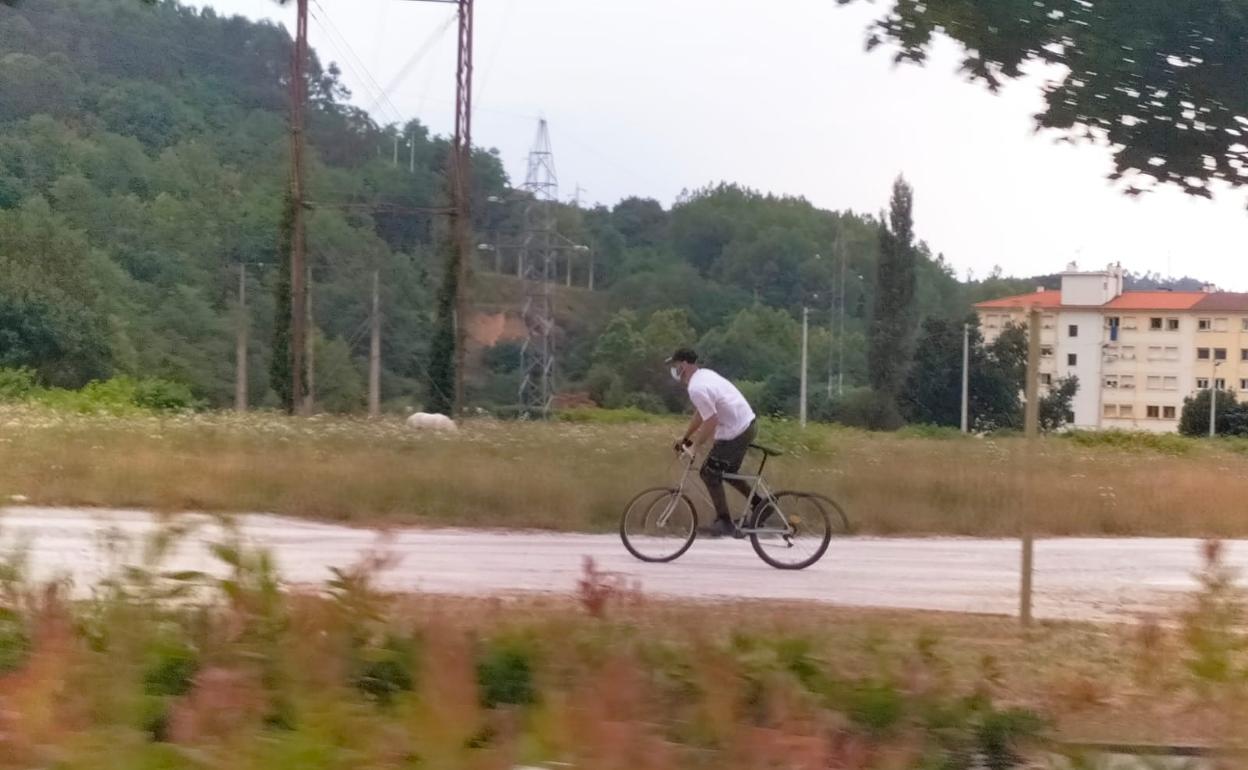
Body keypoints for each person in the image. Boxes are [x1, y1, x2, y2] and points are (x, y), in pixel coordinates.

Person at [667, 348, 762, 538]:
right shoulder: (704, 375)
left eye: (676, 365)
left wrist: (695, 447)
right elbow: (703, 413)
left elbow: (711, 420)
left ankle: (725, 522)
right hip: (745, 425)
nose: (674, 369)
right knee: (726, 472)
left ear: (684, 364)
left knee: (709, 473)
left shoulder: (696, 387)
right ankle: (761, 506)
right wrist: (686, 436)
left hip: (736, 430)